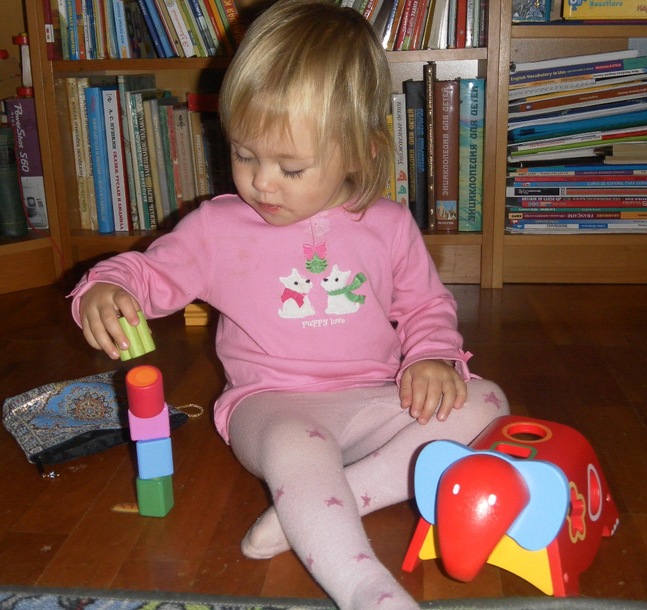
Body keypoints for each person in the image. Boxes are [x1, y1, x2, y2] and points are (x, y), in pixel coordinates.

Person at [70, 1, 509, 608]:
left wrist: (431, 358)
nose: (262, 182)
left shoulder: (386, 223)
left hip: (378, 399)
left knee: (486, 403)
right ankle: (366, 591)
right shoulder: (217, 228)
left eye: (291, 167)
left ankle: (321, 504)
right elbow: (148, 273)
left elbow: (426, 307)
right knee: (297, 451)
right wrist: (105, 287)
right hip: (272, 405)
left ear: (359, 152)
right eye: (244, 155)